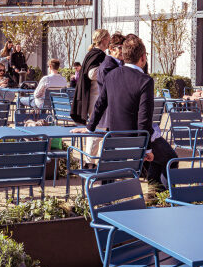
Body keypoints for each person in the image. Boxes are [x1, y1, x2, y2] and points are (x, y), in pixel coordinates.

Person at [73, 36, 177, 192]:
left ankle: (109, 197)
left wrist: (90, 128)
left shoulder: (111, 75)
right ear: (142, 57)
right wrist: (147, 149)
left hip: (114, 137)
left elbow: (100, 105)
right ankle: (159, 197)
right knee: (170, 158)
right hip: (137, 139)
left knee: (111, 165)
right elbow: (144, 119)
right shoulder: (145, 80)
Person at [71, 29, 109, 125]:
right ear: (103, 40)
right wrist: (110, 71)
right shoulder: (99, 54)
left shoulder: (91, 53)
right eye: (108, 39)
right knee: (97, 129)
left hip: (91, 95)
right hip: (96, 96)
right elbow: (92, 74)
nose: (109, 42)